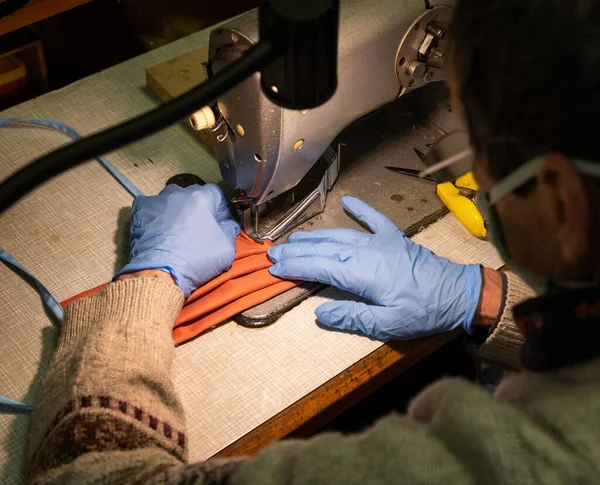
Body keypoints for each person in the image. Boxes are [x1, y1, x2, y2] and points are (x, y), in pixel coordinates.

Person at [27, 0, 600, 483]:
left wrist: (146, 282)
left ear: (561, 201)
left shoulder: (508, 461)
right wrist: (490, 298)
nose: (473, 167)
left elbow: (88, 473)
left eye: (480, 151)